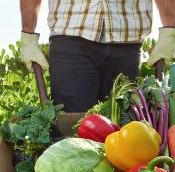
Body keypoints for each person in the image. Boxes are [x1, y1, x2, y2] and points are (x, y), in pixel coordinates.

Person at [19, 0, 175, 112]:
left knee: (123, 126)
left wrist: (169, 28)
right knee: (71, 130)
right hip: (70, 37)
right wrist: (28, 36)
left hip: (127, 39)